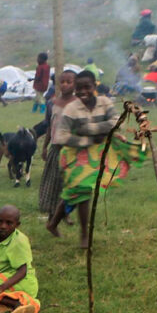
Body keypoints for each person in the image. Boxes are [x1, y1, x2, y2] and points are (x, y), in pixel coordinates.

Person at [44, 71, 127, 249]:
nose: (83, 91)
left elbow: (117, 121)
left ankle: (52, 224)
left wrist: (89, 129)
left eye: (87, 87)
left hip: (97, 154)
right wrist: (89, 139)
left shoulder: (104, 103)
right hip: (74, 155)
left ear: (94, 87)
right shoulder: (71, 109)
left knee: (73, 193)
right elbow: (60, 136)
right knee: (83, 193)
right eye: (79, 88)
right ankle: (84, 234)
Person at [38, 70, 78, 216]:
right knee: (53, 183)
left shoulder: (79, 105)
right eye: (62, 82)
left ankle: (64, 214)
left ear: (76, 84)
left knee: (68, 184)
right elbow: (50, 126)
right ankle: (51, 214)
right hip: (56, 149)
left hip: (72, 150)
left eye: (69, 82)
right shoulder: (51, 104)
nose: (65, 85)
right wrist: (44, 147)